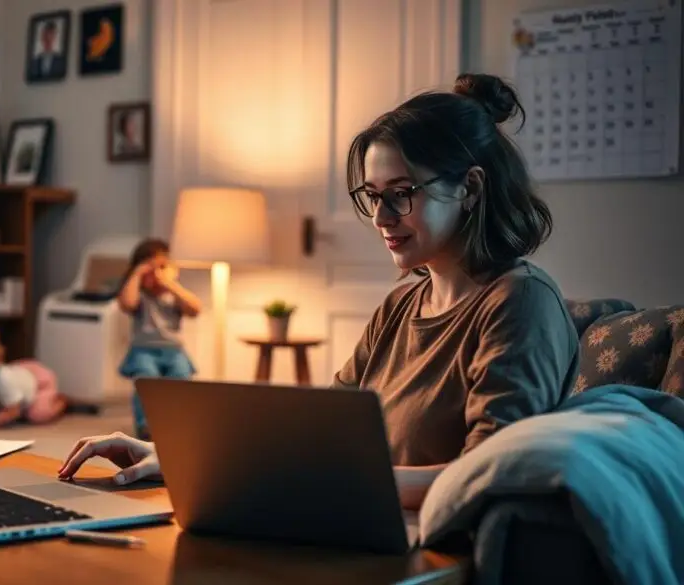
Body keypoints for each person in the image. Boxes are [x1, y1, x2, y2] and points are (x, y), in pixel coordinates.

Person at [57, 73, 581, 508]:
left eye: (400, 195)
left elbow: (492, 473)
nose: (380, 218)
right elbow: (323, 430)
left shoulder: (519, 302)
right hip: (348, 522)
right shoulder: (402, 304)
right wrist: (177, 455)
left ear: (469, 188)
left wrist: (343, 485)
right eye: (372, 196)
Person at [116, 238, 202, 440]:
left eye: (163, 268)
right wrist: (137, 274)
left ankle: (177, 422)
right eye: (150, 271)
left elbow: (195, 309)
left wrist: (170, 284)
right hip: (144, 350)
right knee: (147, 379)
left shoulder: (173, 295)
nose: (156, 276)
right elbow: (127, 303)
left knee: (180, 380)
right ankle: (146, 427)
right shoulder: (140, 297)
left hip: (174, 351)